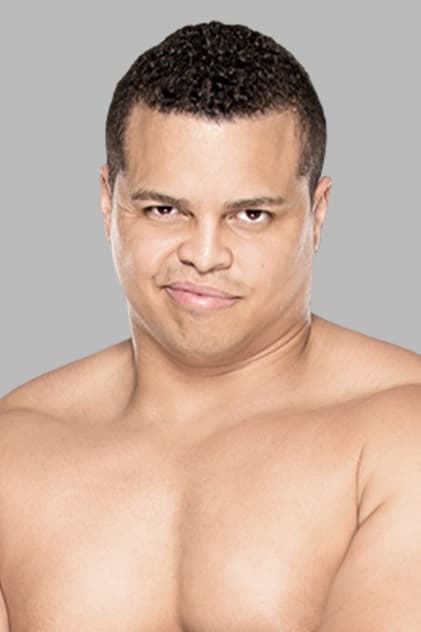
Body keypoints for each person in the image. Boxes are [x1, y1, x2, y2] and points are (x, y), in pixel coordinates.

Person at [1, 20, 421, 631]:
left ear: (317, 213)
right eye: (164, 209)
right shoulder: (13, 452)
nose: (204, 254)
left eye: (250, 215)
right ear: (108, 201)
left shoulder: (399, 436)